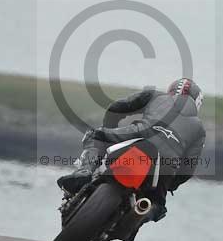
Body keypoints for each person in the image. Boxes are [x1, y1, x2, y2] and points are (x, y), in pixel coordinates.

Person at [57, 78, 207, 218]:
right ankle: (142, 215)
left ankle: (84, 171)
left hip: (137, 135)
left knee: (94, 135)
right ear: (197, 102)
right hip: (166, 166)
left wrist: (109, 129)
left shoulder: (155, 95)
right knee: (157, 206)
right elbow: (188, 169)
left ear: (171, 90)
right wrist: (170, 185)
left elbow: (117, 108)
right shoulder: (199, 129)